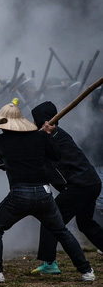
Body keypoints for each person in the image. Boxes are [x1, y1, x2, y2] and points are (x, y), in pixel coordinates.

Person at [0, 100, 94, 282]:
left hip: (19, 194)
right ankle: (86, 271)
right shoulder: (41, 137)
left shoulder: (1, 140)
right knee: (61, 232)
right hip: (44, 194)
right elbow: (56, 155)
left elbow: (4, 158)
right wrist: (47, 136)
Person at [29, 101, 103, 274]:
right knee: (85, 223)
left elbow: (38, 153)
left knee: (50, 218)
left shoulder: (55, 137)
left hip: (81, 185)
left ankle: (49, 263)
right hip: (90, 183)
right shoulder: (52, 136)